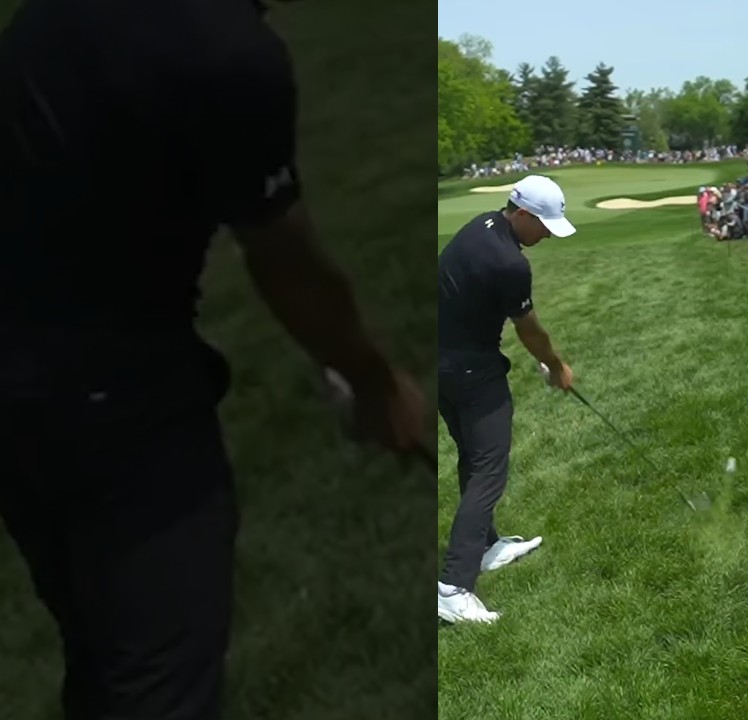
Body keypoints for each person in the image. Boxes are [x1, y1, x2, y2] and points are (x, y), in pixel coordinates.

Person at [0, 0, 428, 717]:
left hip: (22, 400)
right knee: (156, 680)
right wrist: (376, 383)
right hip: (111, 402)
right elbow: (286, 259)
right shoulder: (227, 50)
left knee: (104, 654)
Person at [437, 175, 577, 625]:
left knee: (473, 456)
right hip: (469, 370)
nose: (547, 235)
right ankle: (453, 588)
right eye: (544, 226)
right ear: (522, 214)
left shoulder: (482, 225)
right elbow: (530, 330)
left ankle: (486, 545)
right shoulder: (510, 263)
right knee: (489, 469)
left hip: (439, 361)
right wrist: (555, 366)